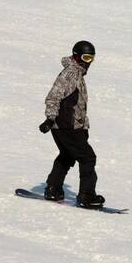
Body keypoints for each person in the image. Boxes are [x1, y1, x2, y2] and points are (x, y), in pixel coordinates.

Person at [38, 40, 105, 209]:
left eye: (91, 59)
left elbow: (76, 104)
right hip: (66, 126)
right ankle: (86, 196)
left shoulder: (77, 73)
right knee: (88, 158)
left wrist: (83, 126)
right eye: (85, 57)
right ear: (76, 56)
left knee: (67, 156)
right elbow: (53, 96)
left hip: (68, 126)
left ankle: (53, 188)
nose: (88, 62)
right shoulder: (70, 74)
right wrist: (50, 118)